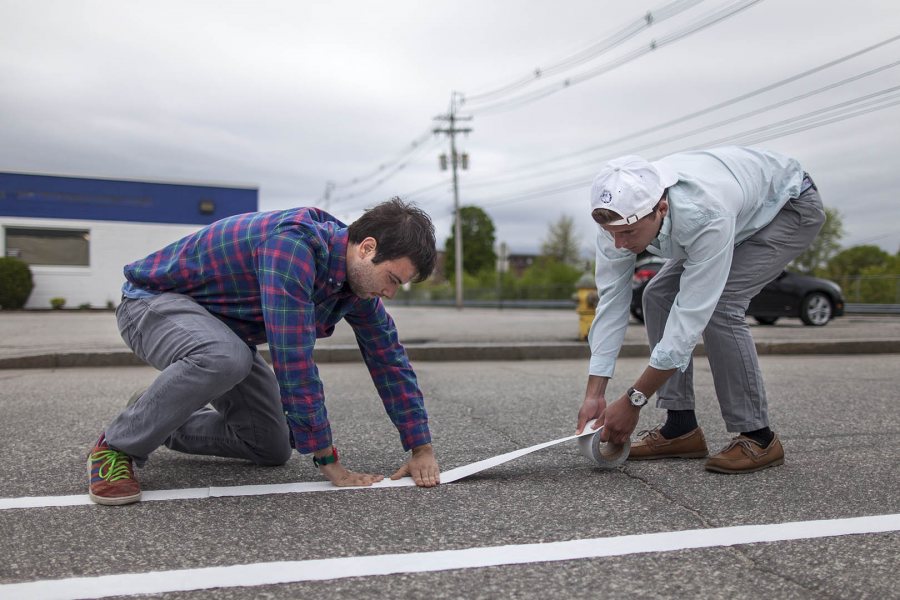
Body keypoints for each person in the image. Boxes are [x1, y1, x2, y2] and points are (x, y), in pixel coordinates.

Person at [88, 197, 441, 505]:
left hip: (222, 334)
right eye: (393, 279)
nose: (391, 293)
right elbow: (293, 357)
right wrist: (327, 459)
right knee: (227, 357)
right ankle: (117, 447)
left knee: (269, 444)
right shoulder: (292, 246)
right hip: (149, 305)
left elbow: (388, 358)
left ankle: (151, 412)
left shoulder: (355, 284)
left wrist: (420, 448)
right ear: (367, 248)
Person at [575, 146, 825, 474]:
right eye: (612, 234)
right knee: (656, 296)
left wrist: (635, 399)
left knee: (722, 305)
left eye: (628, 234)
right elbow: (611, 303)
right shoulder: (618, 216)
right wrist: (595, 393)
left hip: (788, 205)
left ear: (660, 208)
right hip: (741, 207)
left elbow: (689, 320)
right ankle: (681, 428)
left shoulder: (704, 213)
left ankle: (759, 437)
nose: (619, 244)